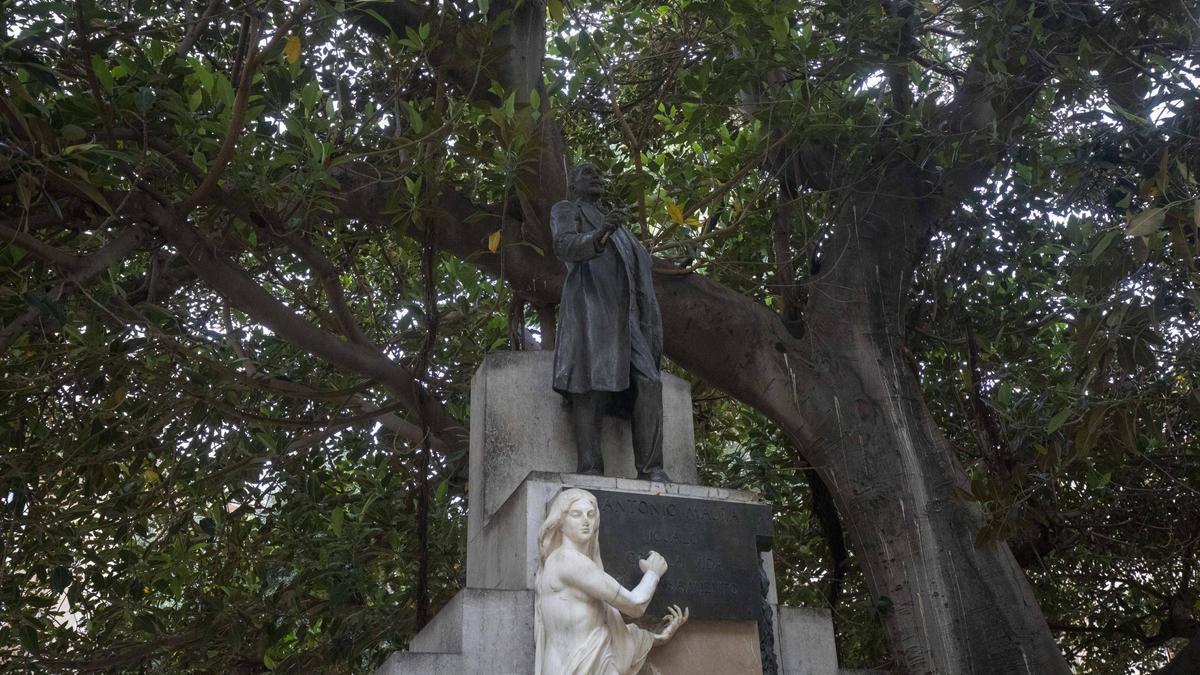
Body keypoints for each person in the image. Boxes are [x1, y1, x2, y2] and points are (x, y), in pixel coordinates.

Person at [551, 163, 670, 482]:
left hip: (628, 320)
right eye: (588, 174)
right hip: (591, 309)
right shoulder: (566, 209)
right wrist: (600, 233)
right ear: (574, 185)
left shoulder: (625, 231)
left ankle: (651, 469)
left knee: (649, 381)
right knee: (588, 385)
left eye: (599, 173)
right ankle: (589, 466)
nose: (597, 178)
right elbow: (563, 245)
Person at [534, 488, 688, 675]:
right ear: (560, 523)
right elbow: (635, 605)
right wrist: (653, 573)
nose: (585, 521)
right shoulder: (567, 560)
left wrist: (655, 638)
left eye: (590, 515)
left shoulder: (562, 562)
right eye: (576, 514)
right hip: (575, 668)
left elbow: (594, 629)